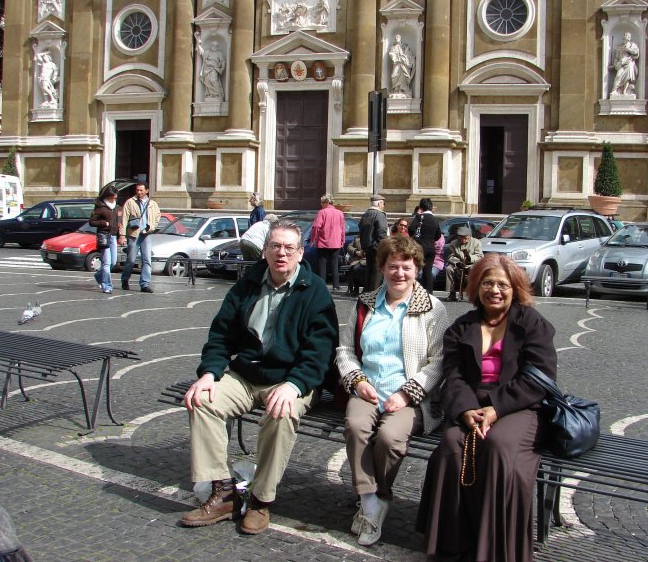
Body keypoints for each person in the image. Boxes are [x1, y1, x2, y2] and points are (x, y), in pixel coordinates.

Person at [180, 220, 339, 535]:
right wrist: (210, 372)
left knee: (282, 413)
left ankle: (260, 499)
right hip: (247, 374)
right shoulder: (247, 283)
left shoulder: (315, 291)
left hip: (292, 379)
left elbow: (320, 352)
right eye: (275, 246)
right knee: (202, 400)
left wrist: (294, 385)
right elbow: (221, 336)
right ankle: (223, 492)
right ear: (265, 250)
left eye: (289, 248)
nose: (282, 253)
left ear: (300, 252)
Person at [416, 253, 558, 562]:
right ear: (476, 288)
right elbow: (453, 377)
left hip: (520, 405)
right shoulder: (461, 326)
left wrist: (495, 408)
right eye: (487, 283)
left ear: (515, 287)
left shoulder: (532, 323)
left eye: (502, 285)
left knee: (497, 445)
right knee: (452, 446)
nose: (495, 290)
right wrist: (466, 409)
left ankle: (492, 546)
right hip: (471, 404)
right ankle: (451, 543)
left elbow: (541, 378)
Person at [336, 235, 448, 546]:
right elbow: (345, 349)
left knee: (389, 438)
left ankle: (377, 498)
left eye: (407, 267)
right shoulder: (365, 304)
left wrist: (407, 393)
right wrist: (358, 381)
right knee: (356, 426)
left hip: (412, 397)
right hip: (368, 388)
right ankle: (372, 502)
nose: (400, 273)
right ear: (382, 268)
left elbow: (438, 362)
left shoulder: (433, 309)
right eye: (393, 266)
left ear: (417, 269)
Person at [120, 182, 161, 293]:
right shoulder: (130, 202)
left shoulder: (152, 204)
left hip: (146, 234)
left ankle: (144, 284)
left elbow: (158, 216)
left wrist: (152, 226)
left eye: (141, 190)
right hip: (134, 234)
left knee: (147, 260)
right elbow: (124, 219)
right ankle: (125, 279)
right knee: (131, 260)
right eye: (137, 190)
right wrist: (122, 235)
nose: (139, 192)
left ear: (147, 191)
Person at [310, 194, 345, 291]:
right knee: (335, 264)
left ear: (325, 202)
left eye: (322, 203)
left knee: (322, 264)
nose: (321, 205)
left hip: (323, 242)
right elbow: (342, 228)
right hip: (336, 242)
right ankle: (336, 285)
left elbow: (316, 226)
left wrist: (313, 239)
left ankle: (322, 285)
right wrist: (342, 241)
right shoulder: (340, 213)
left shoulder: (322, 212)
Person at [89, 186, 120, 294]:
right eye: (112, 198)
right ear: (107, 196)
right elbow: (91, 222)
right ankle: (107, 286)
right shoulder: (100, 207)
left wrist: (119, 231)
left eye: (115, 198)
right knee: (106, 263)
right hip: (104, 236)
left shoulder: (115, 207)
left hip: (113, 236)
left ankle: (98, 276)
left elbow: (116, 221)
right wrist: (104, 223)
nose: (114, 200)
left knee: (113, 262)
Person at [408, 198, 441, 294]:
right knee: (428, 272)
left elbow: (411, 229)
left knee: (414, 269)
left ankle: (414, 291)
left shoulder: (419, 217)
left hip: (419, 247)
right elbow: (438, 235)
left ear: (421, 207)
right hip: (431, 248)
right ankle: (429, 293)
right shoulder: (435, 220)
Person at [445, 226, 484, 302]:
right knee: (448, 269)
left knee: (473, 270)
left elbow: (480, 256)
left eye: (466, 238)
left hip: (471, 265)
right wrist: (457, 262)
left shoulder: (476, 243)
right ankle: (451, 293)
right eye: (461, 238)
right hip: (458, 265)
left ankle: (473, 294)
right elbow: (450, 257)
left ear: (469, 236)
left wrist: (469, 258)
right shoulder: (453, 244)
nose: (463, 240)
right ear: (458, 237)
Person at [359, 194, 388, 292]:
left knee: (369, 272)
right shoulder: (380, 214)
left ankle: (366, 294)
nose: (384, 206)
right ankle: (374, 296)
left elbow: (361, 232)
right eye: (383, 203)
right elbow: (382, 233)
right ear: (379, 203)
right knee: (377, 274)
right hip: (377, 248)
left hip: (367, 248)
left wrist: (363, 247)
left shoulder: (366, 214)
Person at [196, 34, 226, 100]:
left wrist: (222, 69)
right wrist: (198, 43)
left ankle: (218, 94)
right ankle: (210, 94)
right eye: (212, 45)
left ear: (217, 47)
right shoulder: (207, 52)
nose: (213, 47)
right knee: (207, 81)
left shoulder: (219, 53)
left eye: (215, 46)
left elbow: (223, 61)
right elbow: (202, 53)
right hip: (207, 70)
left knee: (214, 80)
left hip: (214, 69)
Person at [610, 31, 639, 97]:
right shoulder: (619, 47)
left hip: (629, 63)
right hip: (621, 64)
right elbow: (616, 57)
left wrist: (628, 49)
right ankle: (614, 90)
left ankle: (625, 91)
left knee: (627, 78)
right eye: (627, 35)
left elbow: (636, 53)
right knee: (618, 76)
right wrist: (615, 64)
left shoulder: (633, 45)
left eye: (629, 36)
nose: (628, 37)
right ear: (624, 37)